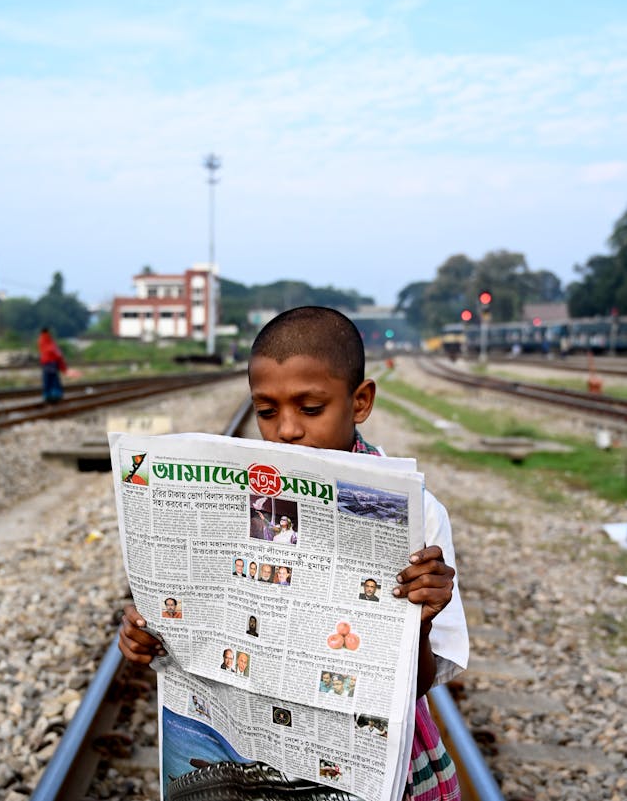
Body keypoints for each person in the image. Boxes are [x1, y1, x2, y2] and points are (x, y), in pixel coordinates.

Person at [119, 306, 468, 801]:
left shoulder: (420, 517)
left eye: (310, 409)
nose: (285, 430)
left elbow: (417, 687)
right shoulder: (235, 504)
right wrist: (151, 635)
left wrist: (423, 621)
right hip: (256, 758)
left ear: (360, 401)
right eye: (266, 411)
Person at [38, 327, 67, 403]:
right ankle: (55, 394)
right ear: (47, 332)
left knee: (47, 380)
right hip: (52, 362)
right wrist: (61, 363)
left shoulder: (40, 340)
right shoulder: (49, 340)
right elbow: (55, 352)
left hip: (45, 363)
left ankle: (47, 395)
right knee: (54, 379)